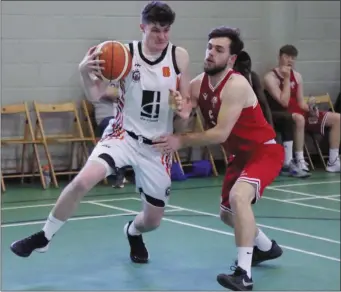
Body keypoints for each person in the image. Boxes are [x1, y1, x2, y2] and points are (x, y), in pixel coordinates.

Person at [10, 1, 192, 265]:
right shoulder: (122, 54)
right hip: (123, 135)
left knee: (152, 222)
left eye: (166, 30)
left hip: (157, 145)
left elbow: (186, 105)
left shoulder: (179, 56)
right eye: (155, 30)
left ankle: (132, 231)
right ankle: (44, 237)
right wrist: (84, 72)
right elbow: (95, 94)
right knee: (82, 181)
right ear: (142, 27)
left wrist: (182, 109)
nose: (162, 36)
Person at [153, 26, 284, 291]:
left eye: (219, 49)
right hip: (239, 156)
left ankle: (244, 274)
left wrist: (181, 141)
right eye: (210, 47)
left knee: (238, 198)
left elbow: (219, 133)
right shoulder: (197, 84)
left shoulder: (236, 85)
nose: (211, 53)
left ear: (232, 59)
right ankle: (266, 248)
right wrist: (178, 109)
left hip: (264, 151)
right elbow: (183, 116)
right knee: (226, 215)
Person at [264, 45, 340, 173]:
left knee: (337, 118)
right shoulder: (270, 77)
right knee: (299, 119)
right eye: (287, 57)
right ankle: (299, 159)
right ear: (279, 57)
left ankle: (333, 161)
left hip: (299, 112)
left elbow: (300, 102)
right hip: (284, 115)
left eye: (293, 58)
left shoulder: (298, 76)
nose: (290, 60)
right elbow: (284, 102)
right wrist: (287, 79)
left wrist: (311, 109)